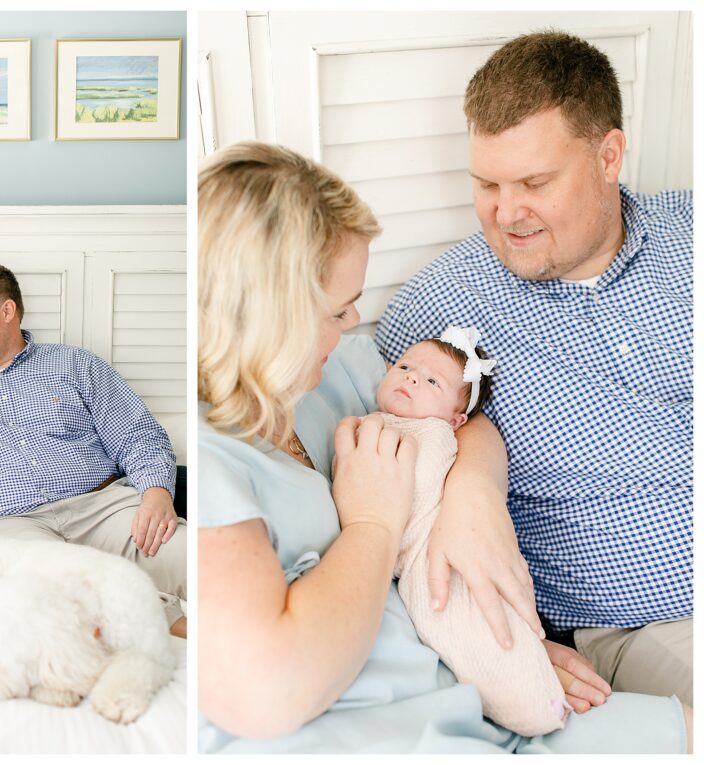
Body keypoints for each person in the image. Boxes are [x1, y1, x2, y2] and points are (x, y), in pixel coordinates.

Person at [197, 140, 690, 753]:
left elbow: (458, 419)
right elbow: (266, 691)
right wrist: (374, 523)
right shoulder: (217, 455)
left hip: (466, 678)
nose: (355, 322)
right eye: (338, 309)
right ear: (267, 314)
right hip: (397, 728)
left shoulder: (332, 375)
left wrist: (473, 494)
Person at [376, 31, 692, 705]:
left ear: (610, 156)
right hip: (659, 618)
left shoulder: (691, 231)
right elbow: (401, 468)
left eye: (535, 182)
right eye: (486, 183)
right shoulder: (437, 311)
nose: (505, 212)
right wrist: (473, 482)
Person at [0, 262, 187, 637]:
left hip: (101, 509)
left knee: (208, 560)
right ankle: (179, 625)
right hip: (5, 526)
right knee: (59, 591)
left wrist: (155, 493)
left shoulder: (75, 364)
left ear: (7, 311)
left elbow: (138, 433)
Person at [373, 327, 576, 736]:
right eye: (405, 366)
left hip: (440, 552)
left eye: (432, 381)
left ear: (456, 419)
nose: (411, 377)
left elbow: (416, 496)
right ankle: (537, 696)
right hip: (417, 561)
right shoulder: (373, 420)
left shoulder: (434, 436)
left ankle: (539, 705)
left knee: (477, 624)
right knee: (480, 636)